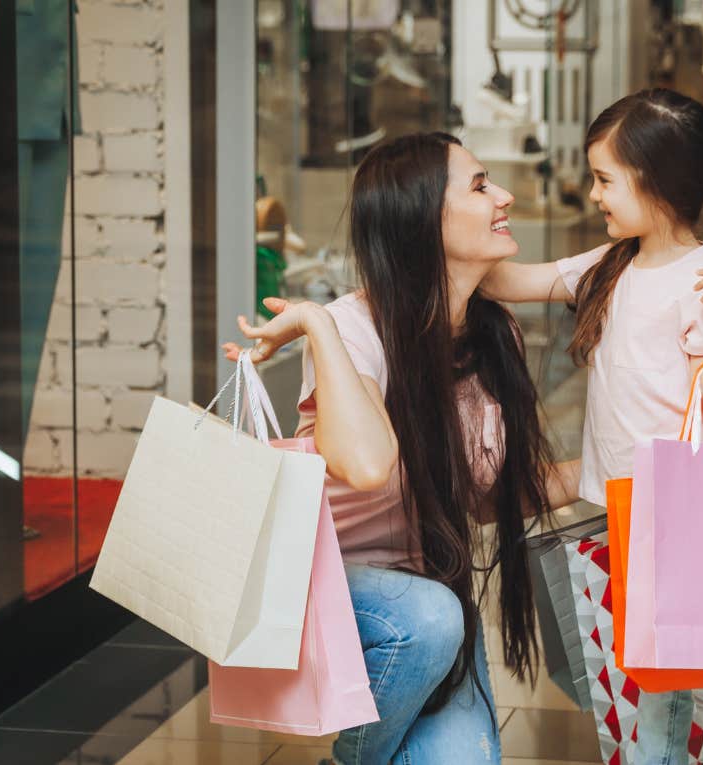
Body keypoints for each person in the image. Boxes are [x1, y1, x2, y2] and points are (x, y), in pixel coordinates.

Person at [224, 132, 581, 763]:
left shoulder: (491, 337)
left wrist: (614, 465)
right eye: (478, 185)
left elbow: (486, 497)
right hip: (324, 591)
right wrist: (316, 323)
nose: (504, 195)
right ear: (421, 219)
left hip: (424, 606)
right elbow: (365, 464)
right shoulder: (353, 331)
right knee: (432, 618)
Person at [480, 88, 703, 763]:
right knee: (651, 681)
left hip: (690, 516)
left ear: (657, 181)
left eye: (606, 179)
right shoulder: (610, 265)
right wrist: (454, 232)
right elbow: (511, 283)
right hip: (629, 512)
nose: (595, 194)